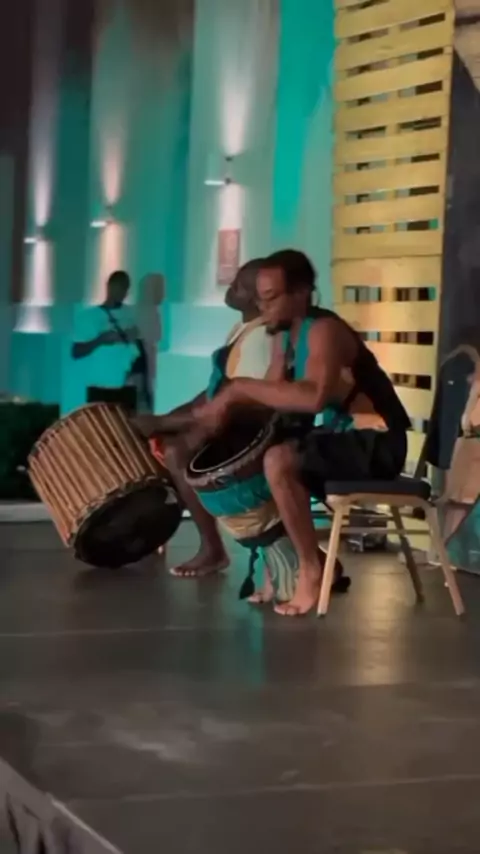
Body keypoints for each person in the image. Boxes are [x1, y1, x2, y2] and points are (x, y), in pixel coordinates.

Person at [191, 249, 411, 616]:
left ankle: (311, 570)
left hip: (379, 442)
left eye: (271, 298)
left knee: (280, 460)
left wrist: (238, 389)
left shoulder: (324, 329)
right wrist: (218, 416)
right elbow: (275, 397)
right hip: (342, 437)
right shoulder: (283, 335)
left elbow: (311, 397)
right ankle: (279, 569)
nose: (263, 307)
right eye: (261, 299)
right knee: (270, 449)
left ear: (302, 292)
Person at [138, 258, 272, 578]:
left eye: (240, 286)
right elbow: (215, 391)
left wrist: (167, 422)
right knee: (162, 439)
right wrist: (166, 420)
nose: (231, 287)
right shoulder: (244, 329)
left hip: (248, 430)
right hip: (230, 418)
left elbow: (235, 404)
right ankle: (151, 533)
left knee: (176, 451)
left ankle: (212, 549)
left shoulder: (261, 339)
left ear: (258, 299)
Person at [71, 270, 149, 413]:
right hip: (99, 386)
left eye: (125, 288)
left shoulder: (132, 315)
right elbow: (76, 351)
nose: (122, 292)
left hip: (126, 386)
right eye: (118, 286)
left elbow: (140, 353)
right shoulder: (88, 317)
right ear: (108, 286)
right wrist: (100, 340)